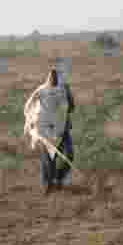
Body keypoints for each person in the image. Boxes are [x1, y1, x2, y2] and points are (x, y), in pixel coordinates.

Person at [23, 65, 75, 193]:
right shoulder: (42, 91)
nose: (54, 80)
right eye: (52, 78)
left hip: (63, 129)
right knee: (49, 157)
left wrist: (67, 95)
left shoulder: (64, 90)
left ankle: (58, 178)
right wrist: (33, 122)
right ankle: (48, 184)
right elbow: (30, 106)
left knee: (69, 155)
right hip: (46, 128)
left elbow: (71, 108)